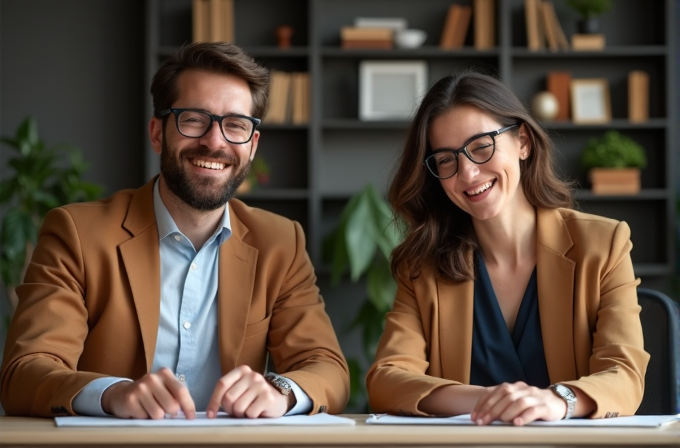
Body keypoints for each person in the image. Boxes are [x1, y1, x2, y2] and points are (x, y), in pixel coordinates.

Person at [0, 42, 349, 419]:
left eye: (235, 125)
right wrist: (112, 394)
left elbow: (327, 368)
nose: (215, 142)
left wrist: (280, 391)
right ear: (157, 133)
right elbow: (25, 372)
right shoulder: (77, 233)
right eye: (194, 119)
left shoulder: (281, 243)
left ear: (252, 146)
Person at [366, 71, 649, 425]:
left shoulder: (603, 244)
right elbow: (387, 381)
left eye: (482, 146)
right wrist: (492, 399)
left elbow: (623, 374)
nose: (467, 173)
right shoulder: (423, 265)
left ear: (523, 142)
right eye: (446, 159)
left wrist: (556, 401)